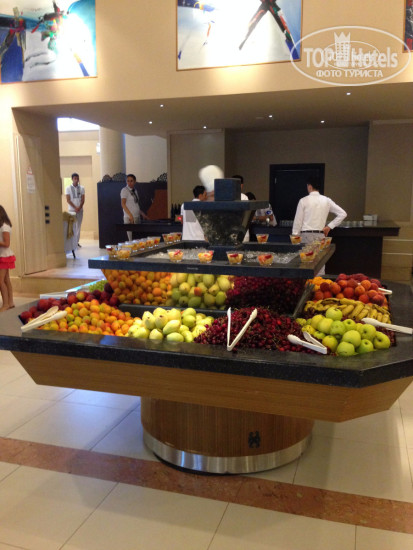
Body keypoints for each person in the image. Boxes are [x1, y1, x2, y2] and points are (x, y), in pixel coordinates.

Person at [292, 180, 347, 274]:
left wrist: (295, 237)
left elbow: (298, 221)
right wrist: (329, 226)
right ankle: (319, 282)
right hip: (321, 235)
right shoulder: (327, 200)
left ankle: (307, 283)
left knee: (305, 264)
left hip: (306, 235)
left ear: (309, 186)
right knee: (320, 264)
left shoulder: (303, 200)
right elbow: (343, 214)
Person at [121, 174, 149, 240]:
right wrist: (130, 216)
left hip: (137, 217)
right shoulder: (124, 190)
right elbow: (123, 204)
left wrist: (142, 214)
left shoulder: (135, 190)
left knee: (137, 238)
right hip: (129, 218)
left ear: (135, 181)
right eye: (128, 181)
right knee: (131, 239)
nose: (129, 183)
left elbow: (135, 205)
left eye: (131, 181)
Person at [0, 205, 15, 312]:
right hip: (3, 255)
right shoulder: (3, 226)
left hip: (4, 256)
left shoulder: (4, 227)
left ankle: (5, 304)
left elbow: (6, 243)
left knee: (1, 281)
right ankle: (10, 302)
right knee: (6, 280)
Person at [65, 173, 85, 248]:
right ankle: (72, 242)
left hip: (80, 210)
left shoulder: (82, 188)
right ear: (72, 179)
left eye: (77, 178)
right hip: (71, 210)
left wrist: (79, 207)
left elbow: (83, 199)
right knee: (72, 226)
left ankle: (76, 242)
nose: (76, 180)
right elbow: (68, 200)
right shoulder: (68, 188)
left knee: (78, 226)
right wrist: (75, 208)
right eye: (75, 178)